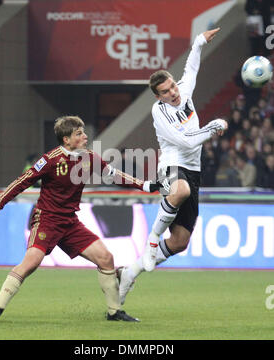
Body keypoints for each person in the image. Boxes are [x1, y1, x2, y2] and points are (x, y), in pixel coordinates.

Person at [0, 115, 164, 323]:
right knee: (31, 263)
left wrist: (146, 185)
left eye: (83, 132)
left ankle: (114, 312)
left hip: (70, 222)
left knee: (106, 258)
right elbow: (22, 181)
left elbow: (114, 174)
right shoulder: (50, 160)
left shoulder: (89, 158)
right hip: (47, 220)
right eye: (79, 133)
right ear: (66, 139)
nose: (85, 136)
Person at [118, 28, 228, 304]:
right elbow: (186, 142)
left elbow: (192, 68)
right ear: (158, 97)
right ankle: (152, 238)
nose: (173, 93)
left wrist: (199, 42)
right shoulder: (160, 112)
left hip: (194, 171)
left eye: (173, 87)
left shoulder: (184, 92)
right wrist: (212, 127)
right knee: (180, 191)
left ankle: (129, 272)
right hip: (171, 165)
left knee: (180, 242)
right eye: (165, 92)